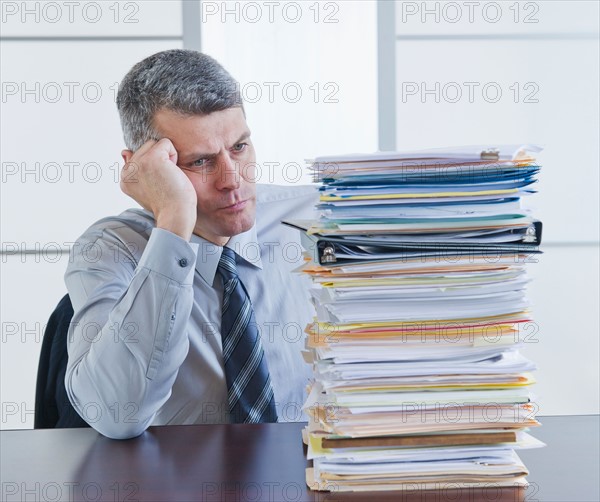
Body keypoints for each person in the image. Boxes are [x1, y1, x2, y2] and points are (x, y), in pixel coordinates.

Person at [64, 49, 318, 439]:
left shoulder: (318, 222)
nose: (232, 179)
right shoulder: (109, 249)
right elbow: (116, 415)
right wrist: (173, 223)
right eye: (199, 162)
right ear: (143, 166)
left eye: (239, 147)